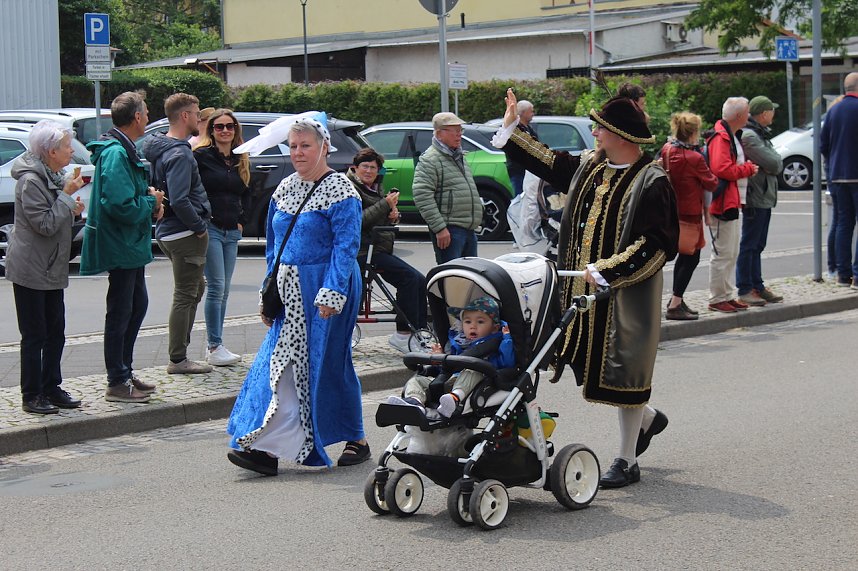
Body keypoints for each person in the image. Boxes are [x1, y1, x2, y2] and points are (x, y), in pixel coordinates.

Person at [493, 88, 678, 488]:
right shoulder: (590, 166)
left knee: (624, 373)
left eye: (600, 128)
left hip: (627, 295)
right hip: (581, 292)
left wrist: (609, 270)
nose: (594, 133)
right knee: (584, 364)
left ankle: (627, 460)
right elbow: (547, 160)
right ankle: (648, 420)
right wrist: (513, 128)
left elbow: (657, 245)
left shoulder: (652, 181)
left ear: (620, 135)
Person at [226, 112, 369, 475]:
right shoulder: (285, 188)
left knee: (328, 364)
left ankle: (356, 437)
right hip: (289, 290)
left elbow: (346, 246)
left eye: (305, 146)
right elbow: (274, 248)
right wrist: (268, 291)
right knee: (278, 365)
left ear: (324, 147)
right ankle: (265, 445)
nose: (298, 153)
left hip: (326, 286)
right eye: (292, 146)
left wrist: (332, 291)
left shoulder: (341, 190)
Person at [81, 91, 163, 403]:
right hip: (122, 244)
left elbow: (125, 197)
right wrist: (151, 201)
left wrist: (147, 197)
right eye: (146, 112)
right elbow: (119, 204)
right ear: (137, 117)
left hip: (129, 244)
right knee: (121, 312)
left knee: (136, 306)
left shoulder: (121, 148)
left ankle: (124, 372)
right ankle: (117, 380)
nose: (148, 117)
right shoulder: (116, 153)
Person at [5, 120, 86, 414]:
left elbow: (57, 217)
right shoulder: (31, 181)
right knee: (35, 334)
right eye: (66, 146)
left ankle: (51, 386)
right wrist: (66, 197)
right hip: (31, 268)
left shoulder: (54, 176)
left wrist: (72, 210)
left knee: (56, 332)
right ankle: (31, 395)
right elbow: (45, 224)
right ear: (51, 151)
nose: (71, 152)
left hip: (51, 266)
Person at [143, 93, 213, 375]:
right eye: (196, 113)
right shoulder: (180, 153)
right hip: (183, 232)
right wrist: (199, 226)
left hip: (169, 230)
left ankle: (179, 354)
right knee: (186, 293)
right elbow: (180, 198)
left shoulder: (162, 148)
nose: (199, 119)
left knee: (196, 288)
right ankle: (178, 359)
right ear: (185, 116)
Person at [346, 147, 428, 354]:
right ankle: (403, 334)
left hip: (377, 250)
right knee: (409, 279)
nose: (369, 171)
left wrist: (393, 216)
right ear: (355, 168)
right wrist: (385, 205)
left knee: (419, 280)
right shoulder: (350, 189)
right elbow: (357, 221)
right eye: (365, 166)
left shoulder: (375, 188)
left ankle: (420, 331)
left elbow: (377, 220)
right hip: (362, 252)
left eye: (373, 168)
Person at [387, 296, 514, 418]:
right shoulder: (458, 344)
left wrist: (507, 339)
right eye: (468, 321)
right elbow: (447, 368)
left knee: (473, 369)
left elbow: (507, 362)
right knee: (417, 380)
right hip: (449, 381)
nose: (473, 326)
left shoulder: (495, 344)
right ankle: (414, 402)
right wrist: (439, 359)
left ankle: (454, 399)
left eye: (480, 322)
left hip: (475, 385)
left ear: (494, 328)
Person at [193, 109, 251, 366]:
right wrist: (200, 219)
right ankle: (214, 345)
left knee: (225, 289)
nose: (225, 131)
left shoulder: (241, 157)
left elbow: (247, 192)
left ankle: (216, 344)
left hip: (232, 230)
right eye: (219, 127)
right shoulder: (201, 156)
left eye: (230, 126)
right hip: (211, 227)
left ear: (236, 129)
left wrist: (242, 220)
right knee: (216, 286)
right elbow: (193, 189)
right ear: (211, 130)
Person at [660, 112, 719, 320]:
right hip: (690, 214)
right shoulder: (694, 158)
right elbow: (711, 182)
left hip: (672, 211)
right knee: (691, 258)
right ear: (694, 133)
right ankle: (675, 303)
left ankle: (676, 299)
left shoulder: (668, 150)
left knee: (684, 256)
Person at [706, 97, 759, 313]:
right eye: (747, 112)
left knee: (731, 251)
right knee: (723, 252)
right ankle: (717, 298)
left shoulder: (729, 135)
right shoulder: (722, 137)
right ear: (739, 116)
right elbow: (722, 169)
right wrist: (747, 169)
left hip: (731, 200)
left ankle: (726, 295)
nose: (749, 116)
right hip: (722, 202)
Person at [413, 112, 483, 264]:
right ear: (439, 134)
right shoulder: (430, 159)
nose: (459, 135)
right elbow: (422, 195)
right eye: (455, 131)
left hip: (467, 228)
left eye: (460, 130)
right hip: (449, 230)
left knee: (470, 275)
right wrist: (439, 228)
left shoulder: (458, 155)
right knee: (452, 275)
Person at [736, 96, 785, 306]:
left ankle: (757, 285)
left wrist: (772, 165)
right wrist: (770, 166)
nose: (773, 114)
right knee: (750, 244)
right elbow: (775, 163)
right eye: (772, 110)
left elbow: (776, 162)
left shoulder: (759, 133)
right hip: (756, 196)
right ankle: (745, 288)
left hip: (763, 195)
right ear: (764, 113)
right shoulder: (750, 136)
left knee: (758, 244)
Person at [820, 72, 858, 289]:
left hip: (838, 175)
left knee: (844, 223)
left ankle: (843, 275)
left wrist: (834, 163)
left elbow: (823, 145)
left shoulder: (833, 111)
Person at [505, 99, 539, 196]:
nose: (533, 114)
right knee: (520, 197)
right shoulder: (515, 129)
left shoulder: (529, 129)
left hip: (529, 171)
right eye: (531, 111)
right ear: (523, 113)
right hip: (518, 171)